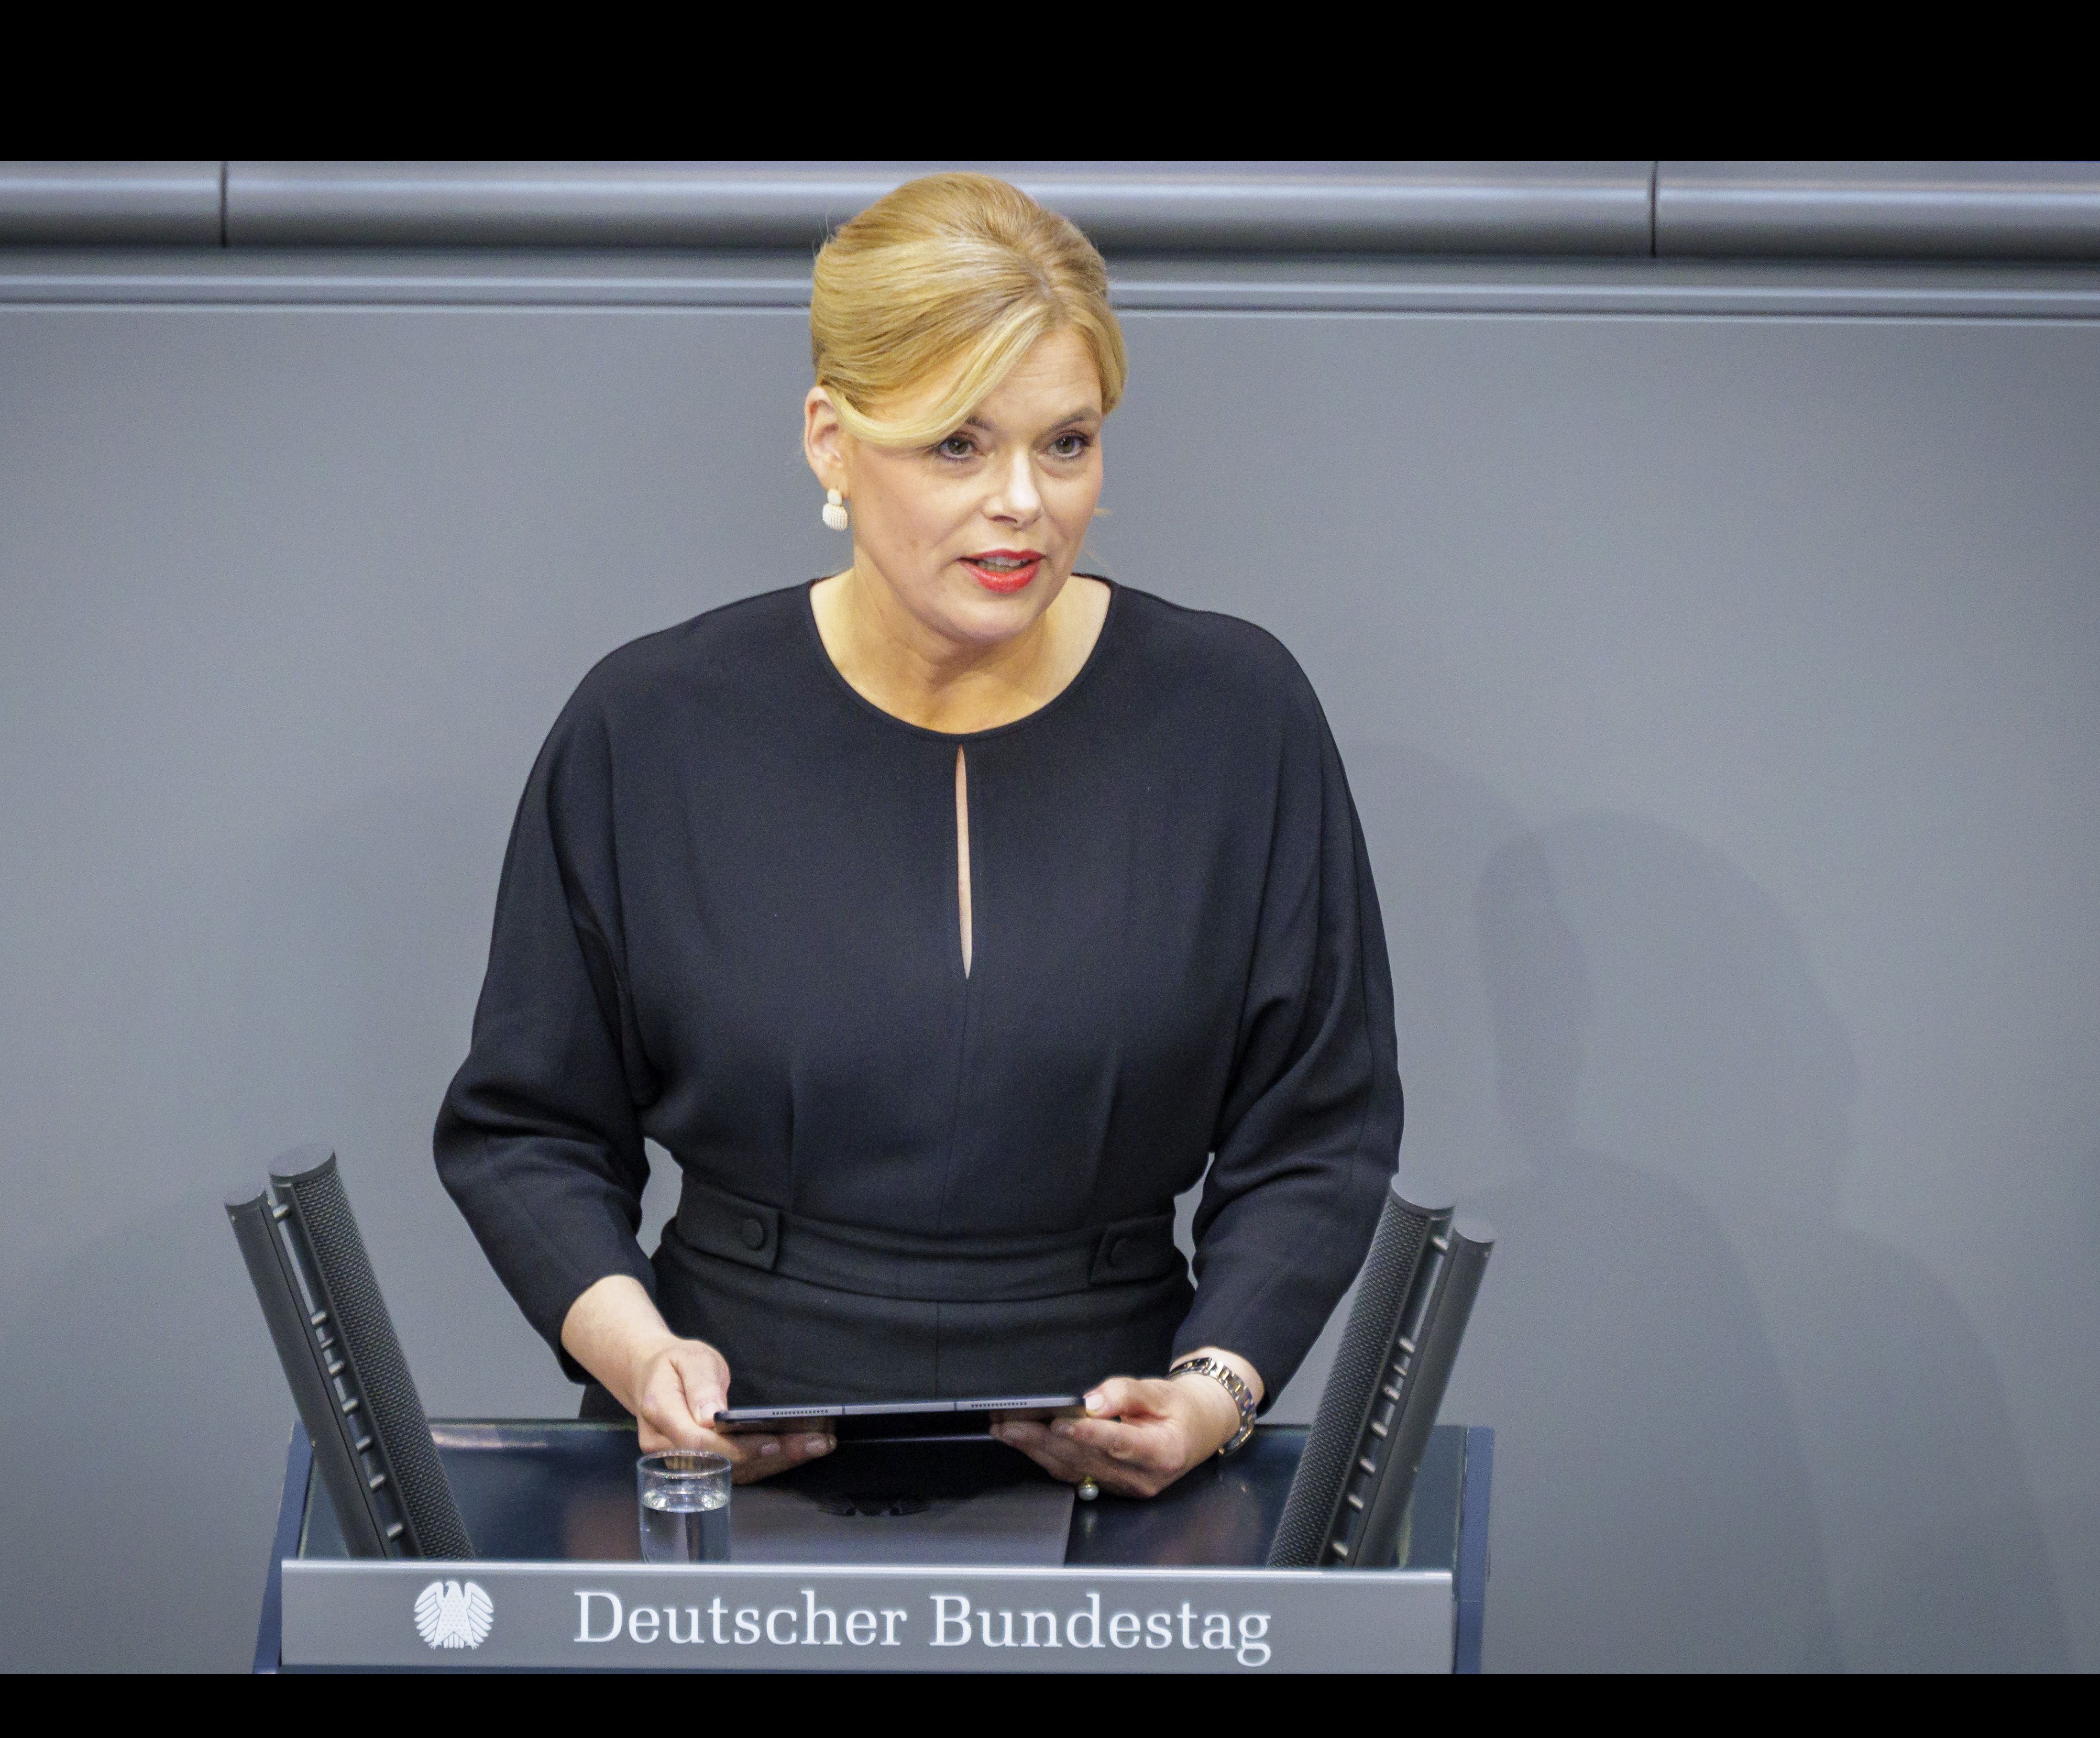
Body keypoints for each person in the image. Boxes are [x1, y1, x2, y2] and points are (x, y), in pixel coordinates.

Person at [436, 172, 1401, 1498]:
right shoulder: (648, 725)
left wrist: (1210, 1396)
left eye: (1066, 443)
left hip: (1118, 1482)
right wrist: (643, 1361)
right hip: (730, 1471)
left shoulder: (1237, 716)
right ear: (830, 442)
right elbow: (525, 1130)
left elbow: (1319, 1129)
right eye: (958, 445)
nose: (1023, 501)